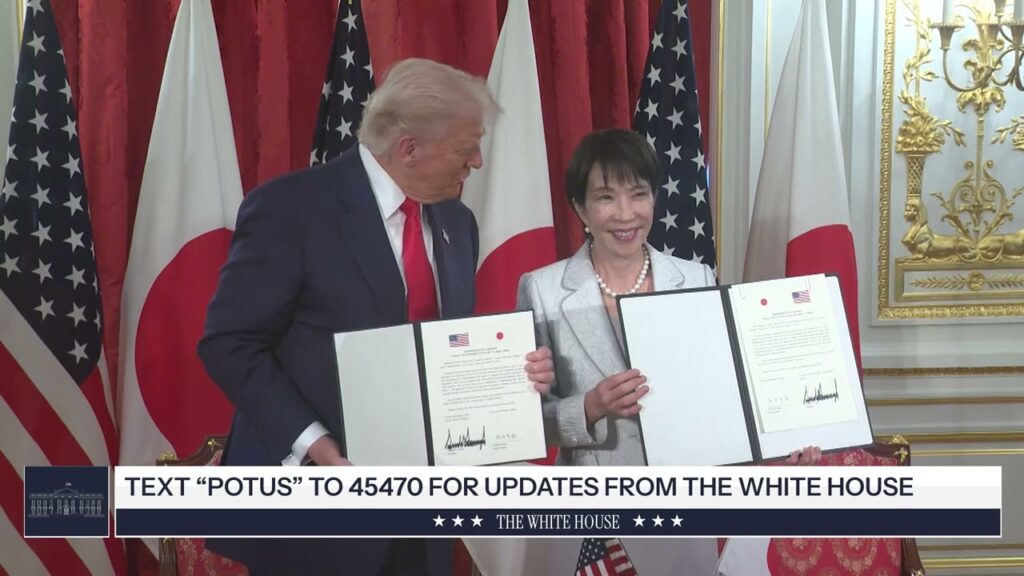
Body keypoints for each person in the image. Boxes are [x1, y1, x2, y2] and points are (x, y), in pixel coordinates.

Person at [198, 58, 554, 576]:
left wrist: (509, 377)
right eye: (464, 147)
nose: (477, 161)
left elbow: (445, 351)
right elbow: (229, 344)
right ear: (408, 148)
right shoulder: (291, 209)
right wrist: (318, 449)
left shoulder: (458, 221)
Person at [517, 128, 821, 467]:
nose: (625, 213)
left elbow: (723, 393)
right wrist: (589, 407)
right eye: (605, 198)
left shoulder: (696, 277)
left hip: (691, 490)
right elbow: (527, 423)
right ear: (581, 208)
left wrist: (784, 442)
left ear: (654, 198)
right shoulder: (542, 290)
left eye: (638, 194)